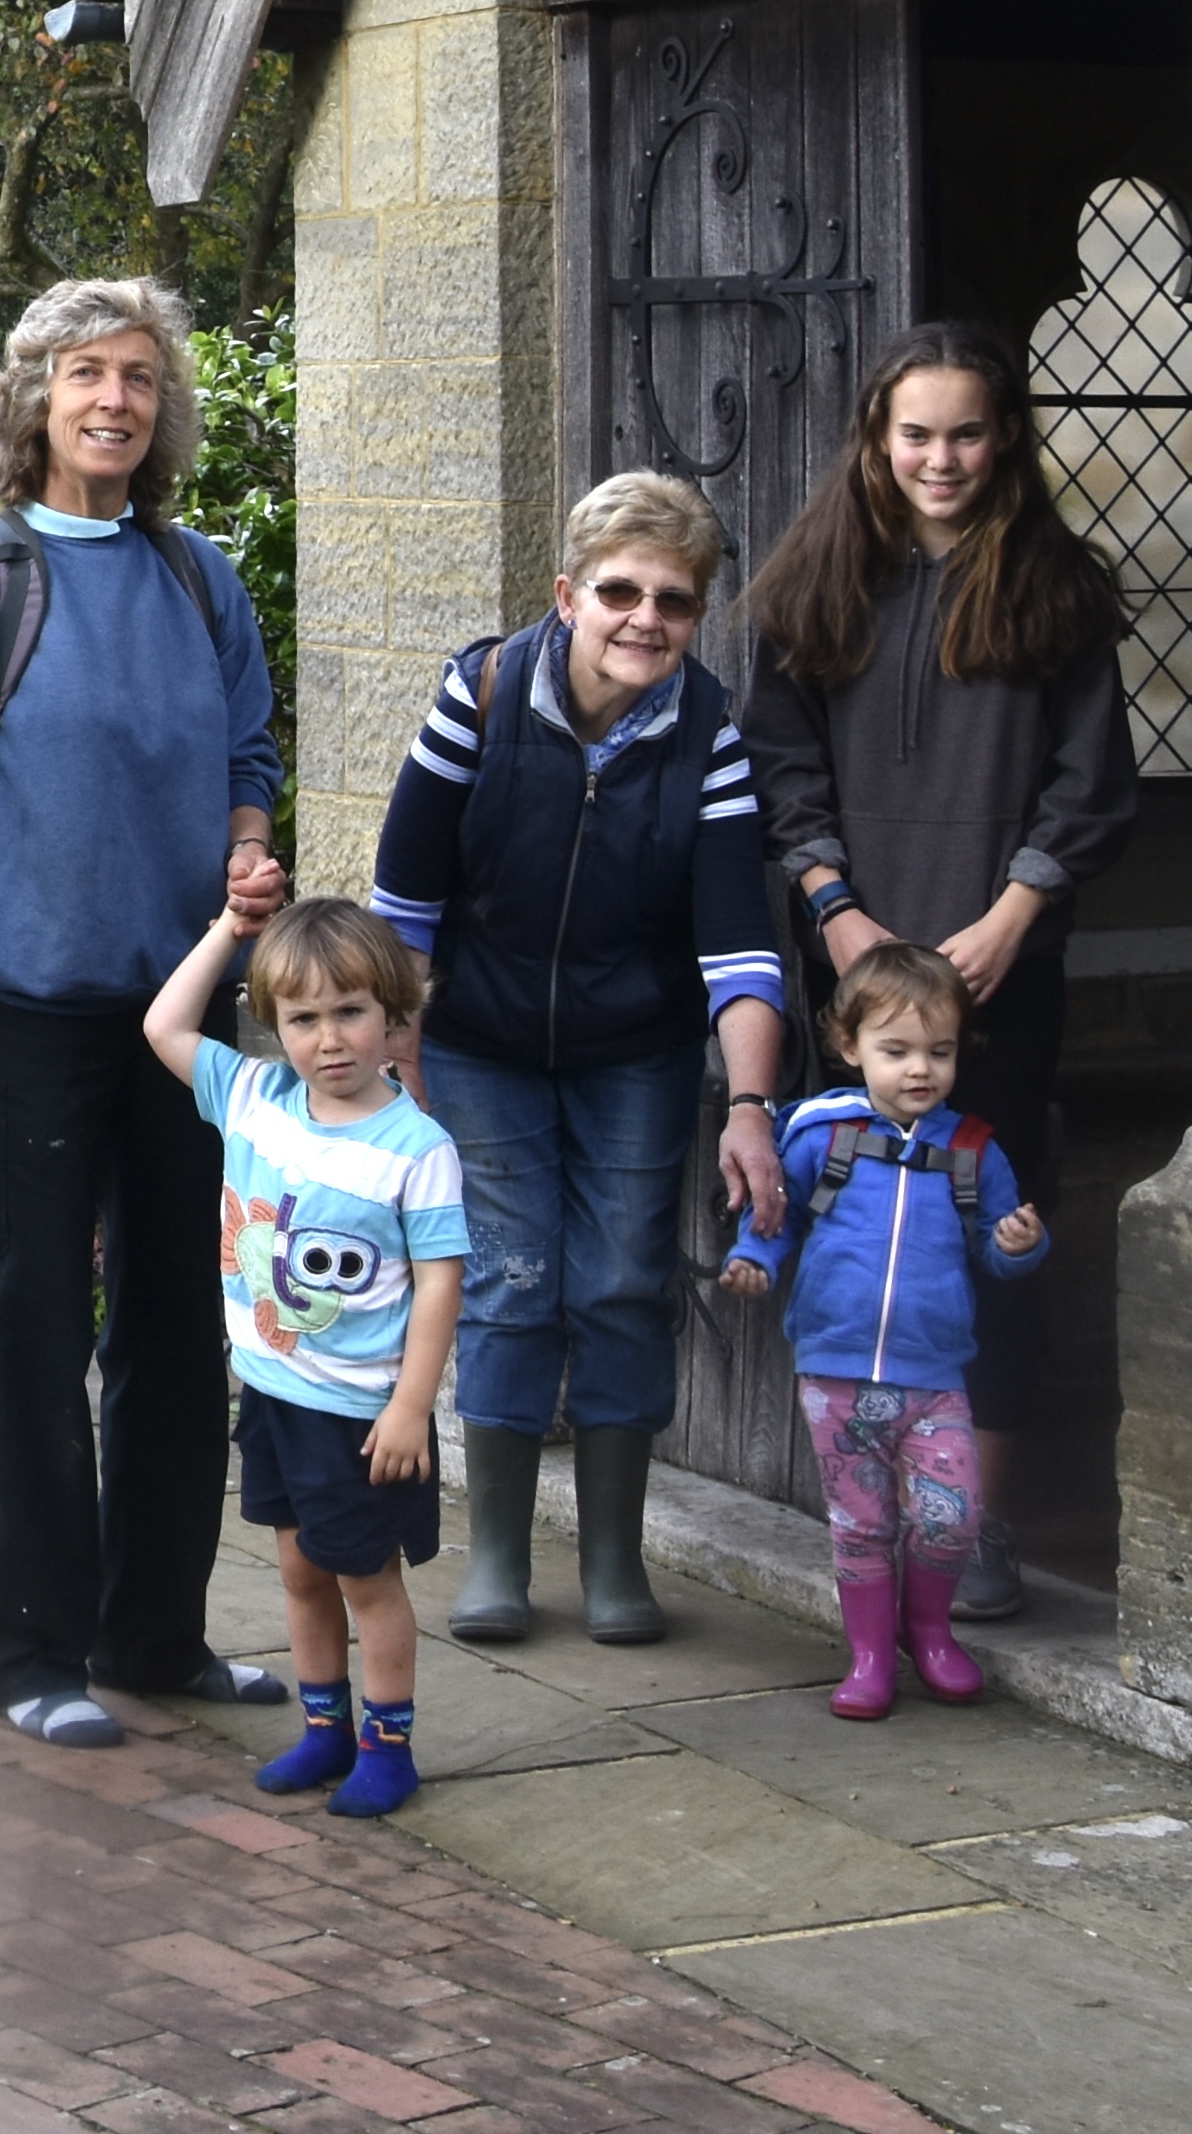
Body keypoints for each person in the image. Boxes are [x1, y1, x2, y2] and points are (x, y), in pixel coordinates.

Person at [0, 273, 290, 1749]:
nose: (114, 399)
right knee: (33, 1336)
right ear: (32, 398)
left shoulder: (195, 576)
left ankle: (151, 1633)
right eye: (86, 372)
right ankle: (28, 1646)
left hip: (179, 1028)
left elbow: (248, 737)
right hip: (26, 1021)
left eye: (140, 379)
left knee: (179, 1333)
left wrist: (243, 835)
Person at [737, 324, 1132, 1620]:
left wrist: (1017, 911)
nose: (938, 457)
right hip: (857, 984)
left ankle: (979, 1526)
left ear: (1001, 437)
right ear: (875, 439)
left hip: (996, 987)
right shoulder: (818, 580)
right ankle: (867, 1511)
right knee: (855, 1248)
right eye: (915, 433)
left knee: (986, 1243)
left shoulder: (1057, 592)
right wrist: (835, 911)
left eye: (963, 431)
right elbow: (780, 767)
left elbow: (1089, 782)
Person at [368, 471, 796, 1649]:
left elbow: (736, 943)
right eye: (618, 591)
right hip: (481, 1040)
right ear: (568, 595)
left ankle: (615, 1560)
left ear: (696, 613)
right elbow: (405, 894)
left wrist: (749, 1102)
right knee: (507, 1278)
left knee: (616, 1282)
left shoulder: (706, 730)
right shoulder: (484, 690)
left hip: (633, 1052)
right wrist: (399, 1051)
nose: (643, 618)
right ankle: (499, 1555)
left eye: (672, 598)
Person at [140, 894, 465, 1816]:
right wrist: (230, 932)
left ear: (394, 1013)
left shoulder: (416, 1149)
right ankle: (324, 1730)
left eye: (352, 1011)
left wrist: (411, 1405)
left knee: (367, 1578)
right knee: (299, 1569)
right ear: (271, 1021)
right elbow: (164, 1022)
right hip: (274, 1394)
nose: (330, 1039)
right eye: (303, 1017)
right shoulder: (253, 1096)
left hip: (362, 1414)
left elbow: (440, 1285)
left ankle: (388, 1745)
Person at [719, 942, 1049, 1718]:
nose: (919, 1069)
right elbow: (778, 1218)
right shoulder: (820, 1135)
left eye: (939, 1051)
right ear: (849, 1046)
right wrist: (752, 1258)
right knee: (860, 1524)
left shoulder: (974, 1150)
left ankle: (928, 1629)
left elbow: (998, 1250)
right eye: (895, 1050)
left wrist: (1020, 1246)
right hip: (835, 1372)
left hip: (934, 1375)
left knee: (951, 1513)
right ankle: (870, 1654)